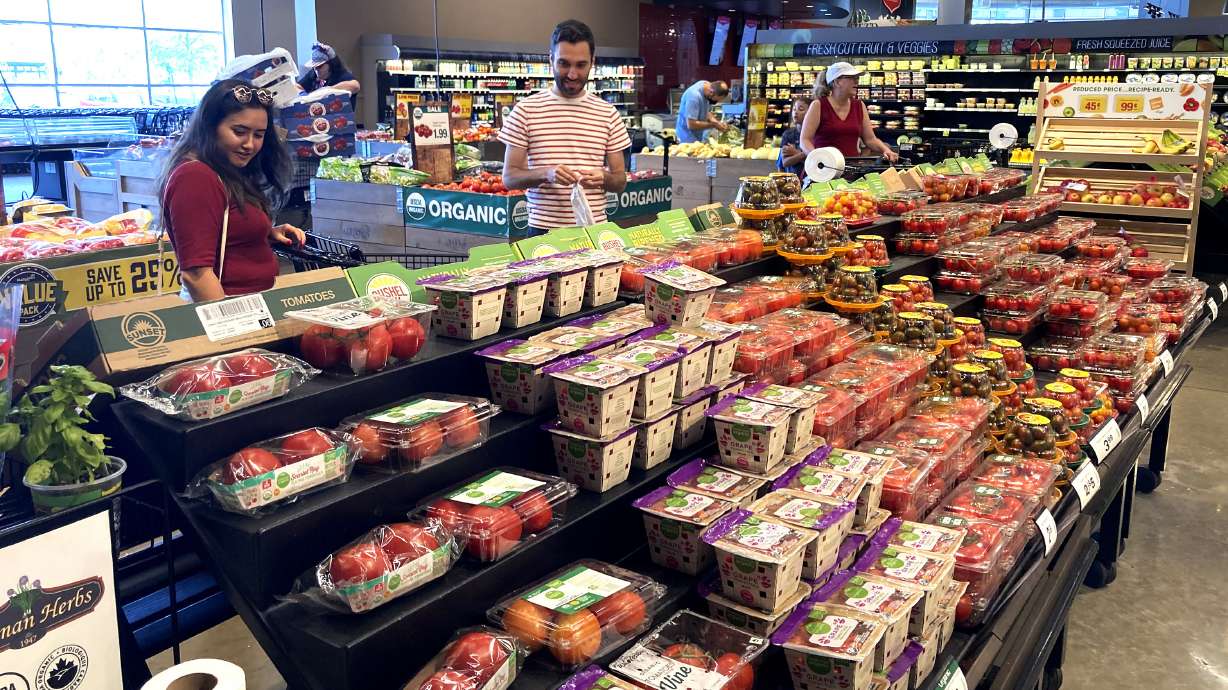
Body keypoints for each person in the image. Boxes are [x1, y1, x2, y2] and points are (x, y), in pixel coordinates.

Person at [159, 80, 306, 302]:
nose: (250, 144)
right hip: (229, 314)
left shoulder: (225, 168)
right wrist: (229, 326)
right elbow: (196, 275)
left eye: (259, 135)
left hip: (252, 306)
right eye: (239, 132)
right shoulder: (195, 177)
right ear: (210, 126)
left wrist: (262, 232)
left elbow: (222, 232)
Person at [500, 19, 631, 233]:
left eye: (581, 65)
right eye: (564, 63)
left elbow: (619, 181)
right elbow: (509, 178)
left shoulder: (608, 114)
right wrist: (547, 173)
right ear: (551, 60)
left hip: (594, 230)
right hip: (543, 232)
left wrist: (604, 178)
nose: (572, 74)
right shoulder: (526, 110)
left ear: (592, 62)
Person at [801, 62, 898, 163]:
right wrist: (817, 158)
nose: (856, 81)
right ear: (837, 81)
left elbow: (870, 139)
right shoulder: (818, 105)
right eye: (852, 78)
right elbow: (805, 140)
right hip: (824, 171)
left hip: (851, 171)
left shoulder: (859, 106)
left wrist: (886, 150)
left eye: (857, 78)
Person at [777, 96, 811, 176]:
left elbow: (818, 161)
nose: (796, 112)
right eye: (794, 109)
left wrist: (795, 153)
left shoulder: (816, 134)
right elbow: (785, 162)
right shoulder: (788, 134)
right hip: (793, 181)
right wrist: (805, 154)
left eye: (801, 109)